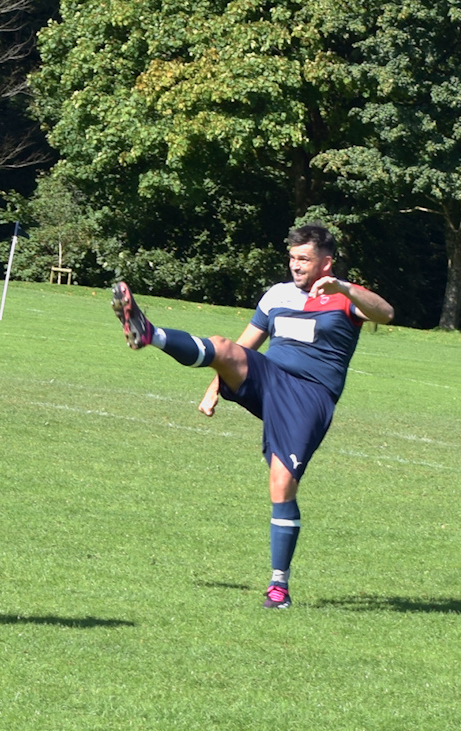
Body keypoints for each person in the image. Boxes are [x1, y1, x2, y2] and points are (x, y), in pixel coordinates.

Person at [108, 223, 394, 610]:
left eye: (304, 259)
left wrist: (344, 288)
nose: (295, 266)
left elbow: (387, 313)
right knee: (224, 345)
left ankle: (279, 586)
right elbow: (246, 345)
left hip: (310, 395)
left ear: (326, 263)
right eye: (292, 258)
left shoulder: (344, 298)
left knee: (281, 484)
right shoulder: (276, 295)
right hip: (268, 378)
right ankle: (150, 334)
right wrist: (215, 385)